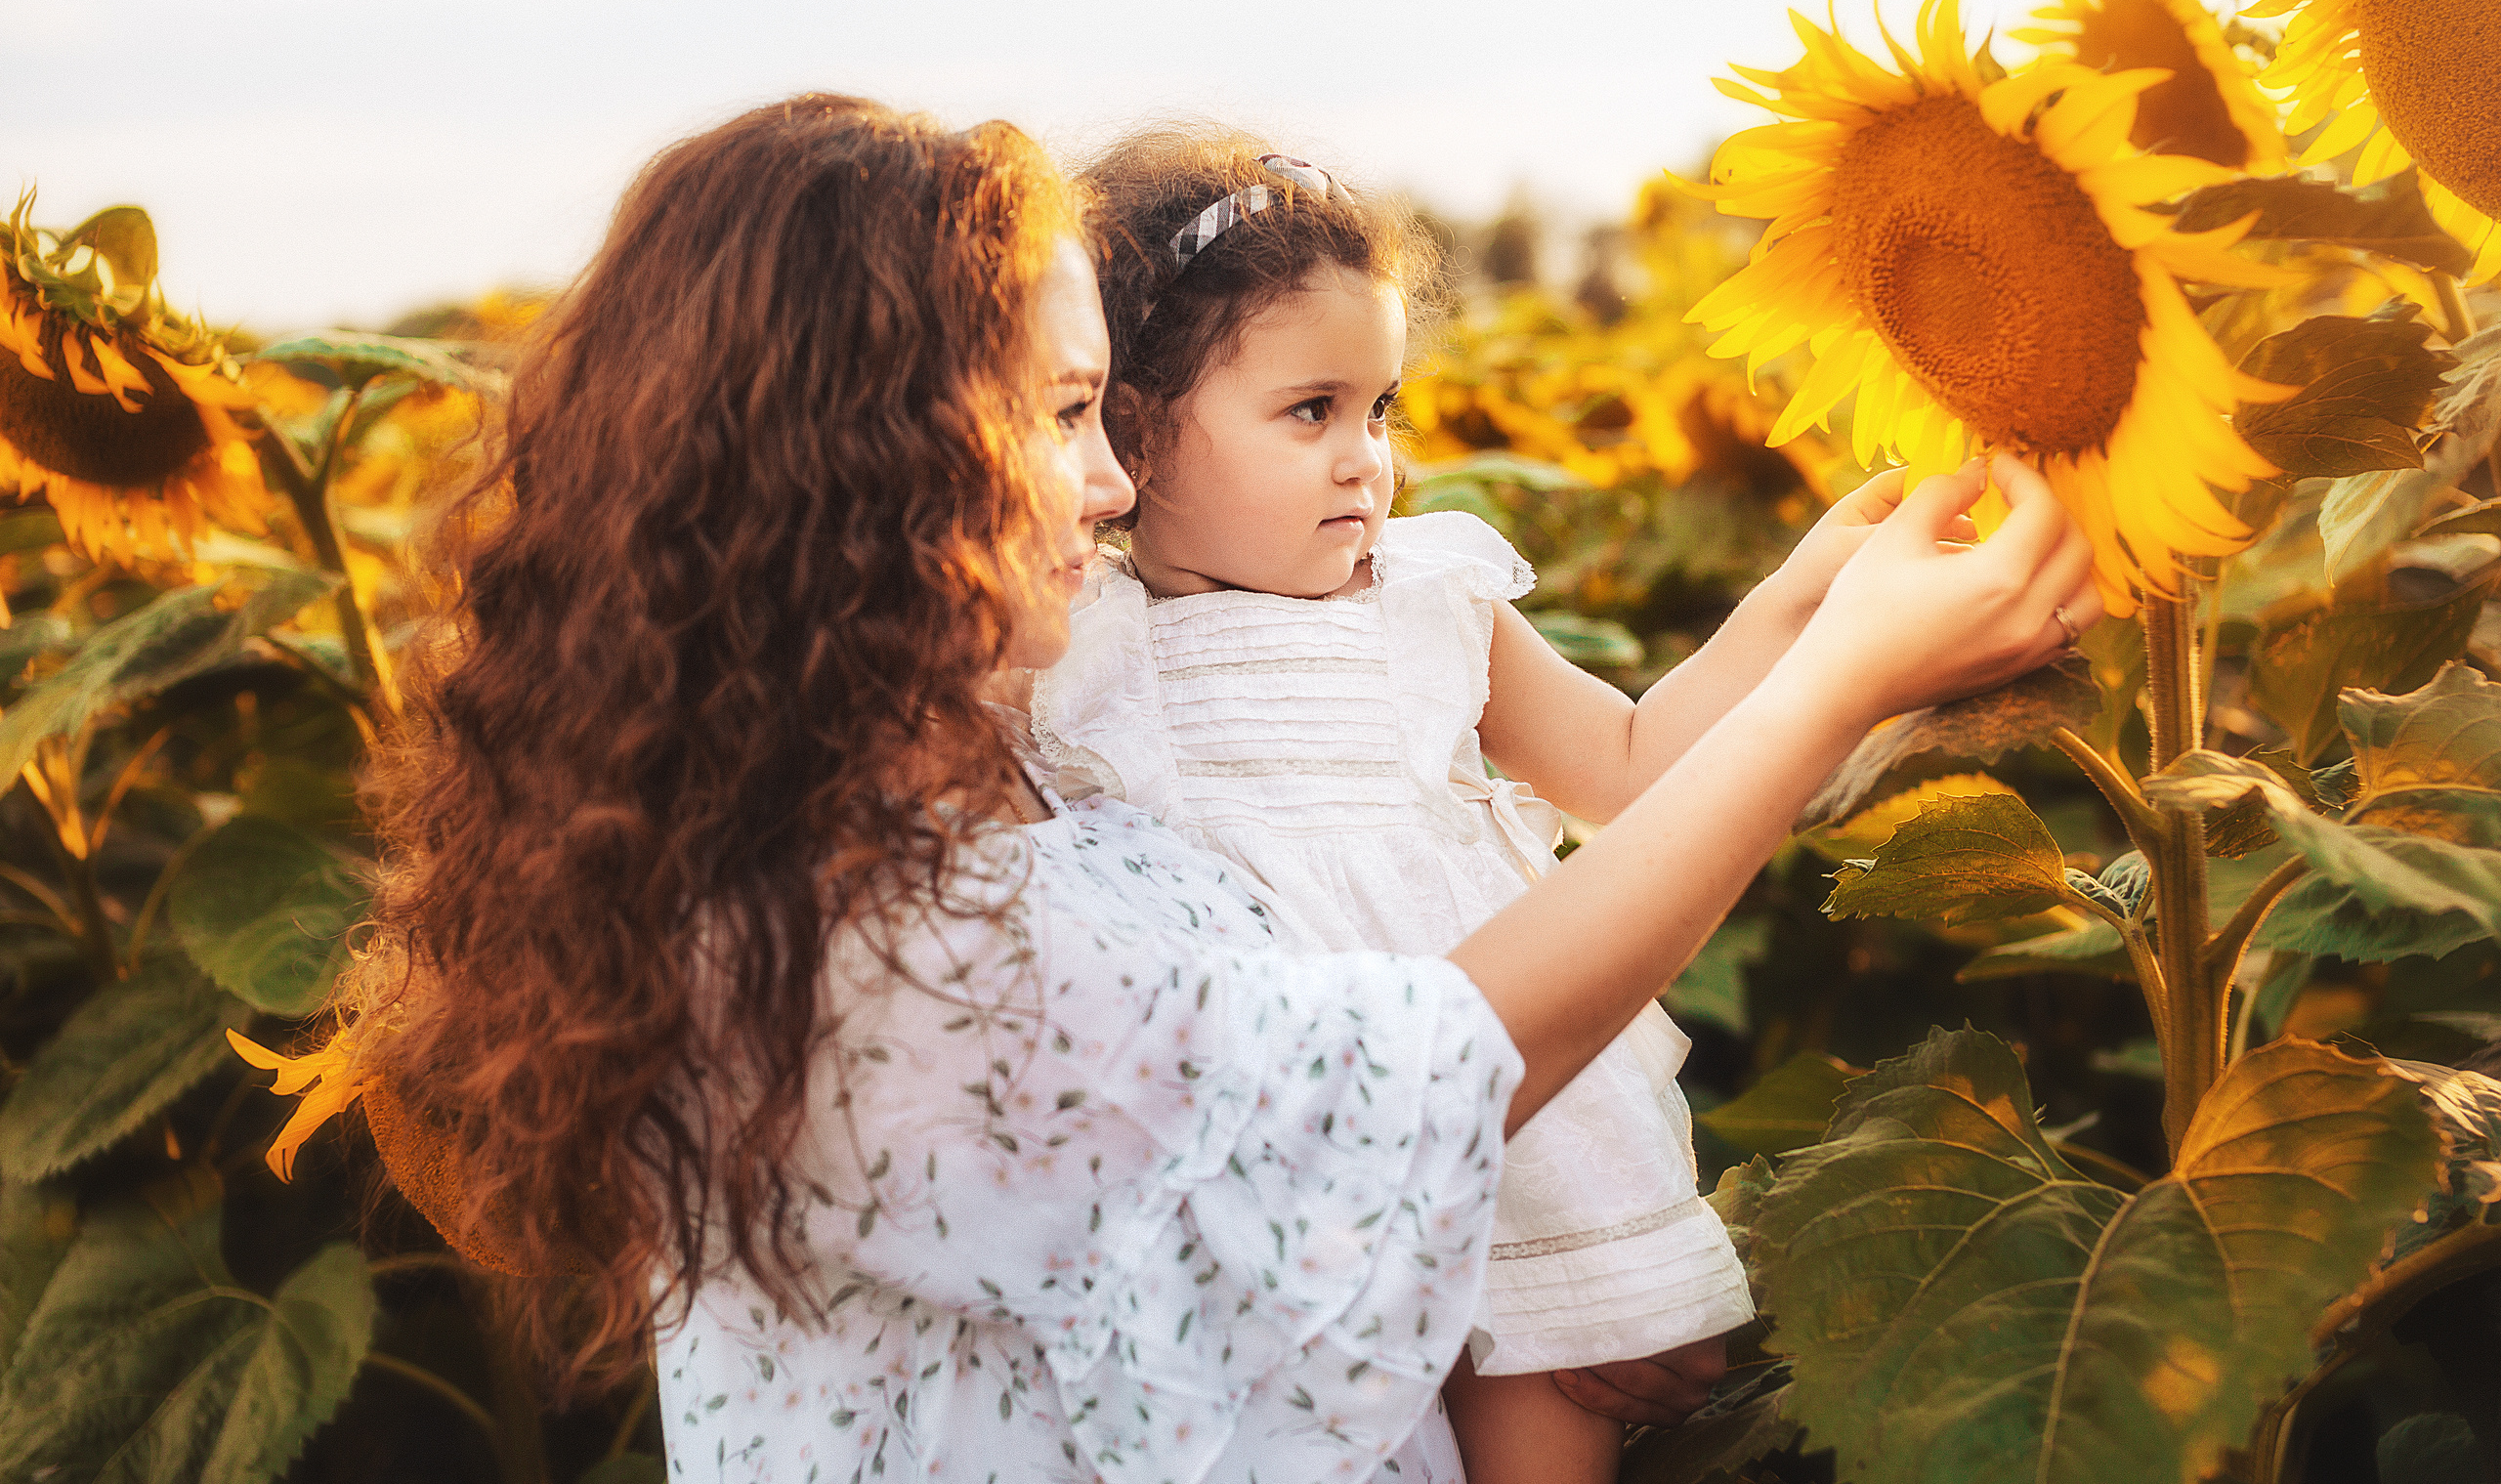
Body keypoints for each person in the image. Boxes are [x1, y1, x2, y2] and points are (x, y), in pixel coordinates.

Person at [343, 95, 2100, 1483]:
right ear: (852, 457)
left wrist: (1536, 1291)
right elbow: (1405, 1080)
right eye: (1059, 416)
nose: (1107, 490)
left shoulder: (965, 772)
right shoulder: (853, 944)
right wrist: (1848, 678)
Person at [1030, 131, 1943, 1483]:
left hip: (1525, 1137)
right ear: (1137, 428)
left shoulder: (1430, 603)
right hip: (1285, 1170)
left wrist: (1802, 599)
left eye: (1381, 410)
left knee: (1541, 1436)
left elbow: (1632, 765)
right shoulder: (1076, 645)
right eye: (1310, 412)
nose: (1368, 462)